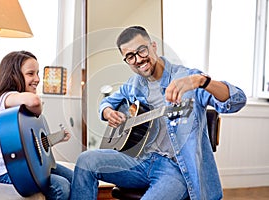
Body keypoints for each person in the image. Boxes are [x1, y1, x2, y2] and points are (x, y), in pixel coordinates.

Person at [69, 26, 247, 200]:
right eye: (130, 56)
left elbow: (237, 100)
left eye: (142, 50)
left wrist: (201, 81)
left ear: (153, 46)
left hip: (175, 169)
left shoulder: (188, 78)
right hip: (140, 160)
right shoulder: (133, 84)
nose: (138, 59)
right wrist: (107, 111)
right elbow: (107, 102)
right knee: (86, 161)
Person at [0, 51, 73, 200]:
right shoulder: (6, 97)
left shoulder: (20, 109)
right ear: (13, 75)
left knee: (75, 178)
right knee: (61, 186)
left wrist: (57, 138)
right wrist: (38, 109)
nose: (37, 79)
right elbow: (34, 101)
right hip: (7, 172)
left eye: (37, 73)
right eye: (30, 74)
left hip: (27, 165)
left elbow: (30, 144)